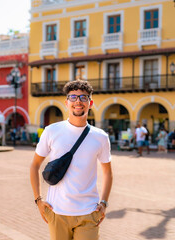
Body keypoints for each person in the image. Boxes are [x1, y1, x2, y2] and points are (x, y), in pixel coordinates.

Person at [30, 80, 113, 240]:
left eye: (83, 97)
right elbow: (34, 165)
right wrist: (38, 200)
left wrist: (104, 202)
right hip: (57, 212)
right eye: (73, 97)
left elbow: (108, 172)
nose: (78, 101)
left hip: (89, 213)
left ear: (90, 103)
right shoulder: (52, 131)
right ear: (66, 102)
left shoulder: (101, 137)